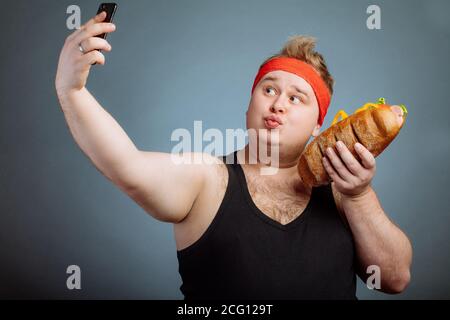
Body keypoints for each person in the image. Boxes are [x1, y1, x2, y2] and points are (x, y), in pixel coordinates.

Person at [55, 11, 412, 299]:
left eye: (296, 98)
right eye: (268, 89)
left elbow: (393, 279)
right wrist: (72, 91)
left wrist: (359, 195)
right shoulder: (207, 180)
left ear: (318, 125)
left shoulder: (344, 189)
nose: (277, 104)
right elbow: (127, 166)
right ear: (249, 107)